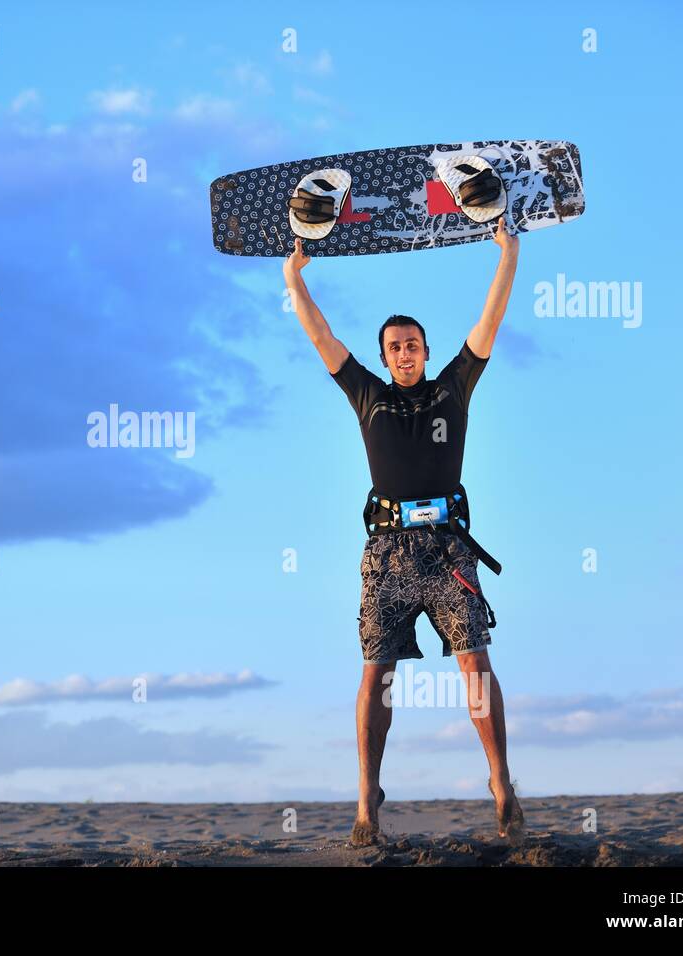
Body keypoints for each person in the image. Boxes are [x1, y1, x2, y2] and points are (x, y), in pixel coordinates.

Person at [283, 220, 525, 847]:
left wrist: (508, 254)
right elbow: (320, 335)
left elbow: (490, 322)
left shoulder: (453, 389)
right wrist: (293, 277)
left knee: (475, 662)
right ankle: (367, 800)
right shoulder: (367, 395)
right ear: (386, 357)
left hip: (448, 551)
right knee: (375, 674)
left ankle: (500, 781)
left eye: (414, 342)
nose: (406, 352)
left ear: (425, 347)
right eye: (395, 346)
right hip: (386, 557)